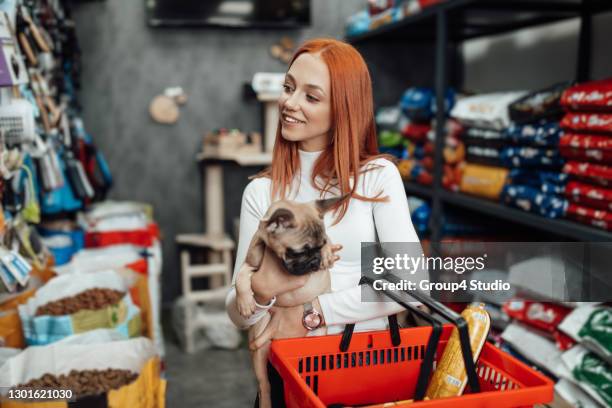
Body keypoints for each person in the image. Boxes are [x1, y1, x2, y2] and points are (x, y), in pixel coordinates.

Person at [225, 38, 425, 407]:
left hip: (365, 369)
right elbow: (238, 314)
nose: (290, 103)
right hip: (288, 373)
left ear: (344, 109)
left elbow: (413, 285)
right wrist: (264, 291)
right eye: (289, 88)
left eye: (311, 97)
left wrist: (312, 313)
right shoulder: (262, 191)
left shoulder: (376, 177)